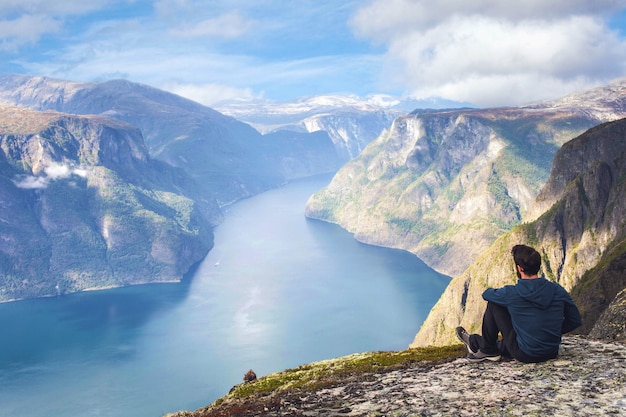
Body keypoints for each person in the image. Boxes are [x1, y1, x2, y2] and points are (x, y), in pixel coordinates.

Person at [456, 244, 582, 363]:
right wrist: (551, 331)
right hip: (551, 352)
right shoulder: (557, 290)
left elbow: (486, 294)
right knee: (507, 340)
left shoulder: (512, 293)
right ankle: (475, 341)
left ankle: (487, 349)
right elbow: (574, 320)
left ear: (519, 268)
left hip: (524, 354)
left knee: (494, 304)